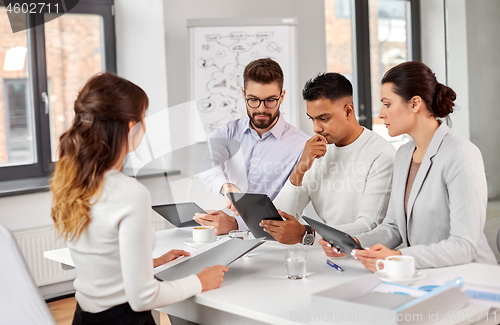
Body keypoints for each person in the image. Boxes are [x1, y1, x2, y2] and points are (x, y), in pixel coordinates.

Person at [50, 73, 228, 325]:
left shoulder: (71, 181)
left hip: (84, 318)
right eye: (144, 118)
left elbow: (101, 262)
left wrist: (150, 263)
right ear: (131, 127)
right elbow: (143, 297)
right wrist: (200, 281)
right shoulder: (129, 193)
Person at [320, 61, 497, 269]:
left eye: (387, 104)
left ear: (414, 104)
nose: (381, 113)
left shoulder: (461, 154)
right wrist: (355, 243)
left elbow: (464, 245)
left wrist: (398, 256)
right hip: (424, 276)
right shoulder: (404, 154)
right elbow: (394, 227)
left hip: (470, 277)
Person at [263, 73, 396, 244]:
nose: (316, 128)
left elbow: (369, 226)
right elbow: (280, 219)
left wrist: (307, 234)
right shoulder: (316, 151)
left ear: (348, 111)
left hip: (367, 258)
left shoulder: (382, 154)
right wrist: (300, 168)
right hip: (327, 253)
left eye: (324, 119)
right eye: (312, 119)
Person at [196, 58, 309, 235]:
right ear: (243, 94)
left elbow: (292, 207)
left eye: (270, 100)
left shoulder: (301, 145)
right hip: (231, 237)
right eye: (253, 100)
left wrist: (236, 225)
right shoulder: (227, 132)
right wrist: (226, 187)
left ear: (282, 96)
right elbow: (208, 165)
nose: (262, 109)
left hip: (275, 242)